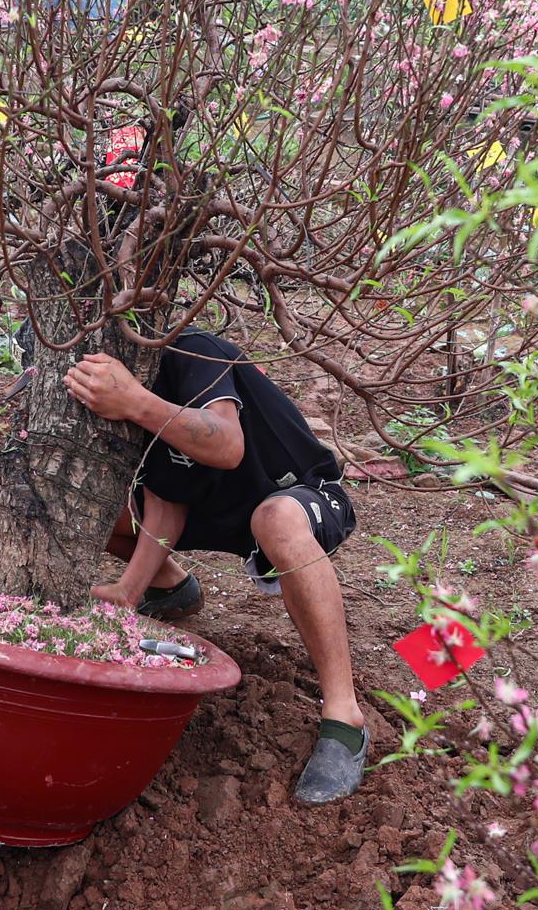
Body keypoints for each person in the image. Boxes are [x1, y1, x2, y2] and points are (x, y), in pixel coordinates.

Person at [67, 329, 368, 804]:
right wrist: (129, 591)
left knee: (274, 519)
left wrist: (134, 401)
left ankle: (343, 715)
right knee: (85, 502)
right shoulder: (116, 392)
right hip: (218, 512)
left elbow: (227, 445)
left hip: (293, 497)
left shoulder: (191, 352)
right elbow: (166, 497)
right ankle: (170, 588)